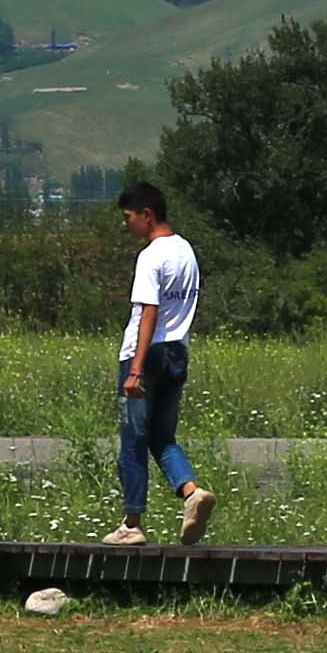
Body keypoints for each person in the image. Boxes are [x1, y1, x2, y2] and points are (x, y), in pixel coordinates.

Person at [104, 180, 205, 542]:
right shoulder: (186, 252)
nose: (126, 224)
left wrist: (135, 370)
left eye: (129, 217)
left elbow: (149, 310)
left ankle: (133, 524)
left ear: (148, 215)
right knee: (162, 436)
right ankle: (192, 493)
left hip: (144, 355)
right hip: (177, 352)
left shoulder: (151, 255)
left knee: (132, 440)